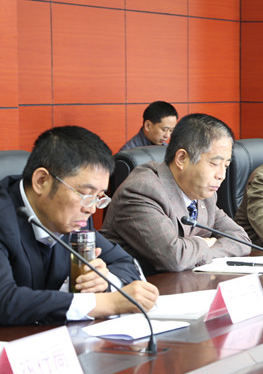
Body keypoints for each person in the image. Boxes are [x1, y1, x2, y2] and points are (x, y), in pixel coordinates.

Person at [0, 126, 159, 326]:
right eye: (85, 194)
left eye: (98, 197)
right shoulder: (4, 215)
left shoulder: (76, 217)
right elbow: (5, 301)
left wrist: (105, 280)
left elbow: (126, 263)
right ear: (41, 181)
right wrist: (105, 303)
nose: (91, 208)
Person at [102, 114, 250, 274]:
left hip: (188, 283)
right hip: (141, 286)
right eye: (214, 164)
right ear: (181, 158)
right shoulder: (142, 191)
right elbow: (175, 257)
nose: (221, 175)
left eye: (226, 166)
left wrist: (199, 248)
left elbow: (241, 239)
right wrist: (205, 243)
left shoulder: (204, 195)